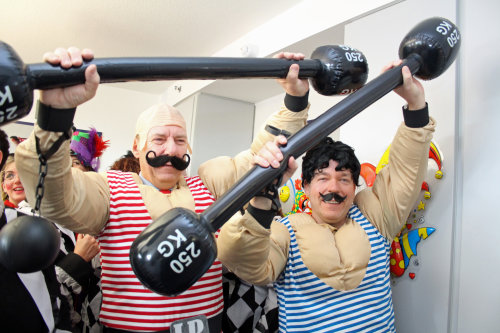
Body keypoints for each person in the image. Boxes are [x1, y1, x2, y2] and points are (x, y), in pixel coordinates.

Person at [15, 47, 310, 332]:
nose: (171, 149)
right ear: (137, 146)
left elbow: (265, 154)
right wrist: (55, 117)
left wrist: (295, 99)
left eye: (180, 140)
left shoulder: (209, 183)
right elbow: (56, 196)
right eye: (159, 139)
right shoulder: (109, 189)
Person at [217, 59, 435, 332]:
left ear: (354, 187)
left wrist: (416, 105)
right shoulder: (285, 230)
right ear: (306, 186)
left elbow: (406, 172)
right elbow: (242, 261)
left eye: (344, 179)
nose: (334, 188)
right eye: (323, 178)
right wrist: (262, 198)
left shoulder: (375, 216)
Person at [1, 152, 101, 332]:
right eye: (9, 175)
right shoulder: (8, 227)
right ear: (3, 185)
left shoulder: (60, 218)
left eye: (24, 173)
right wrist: (78, 259)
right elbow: (35, 288)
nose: (17, 181)